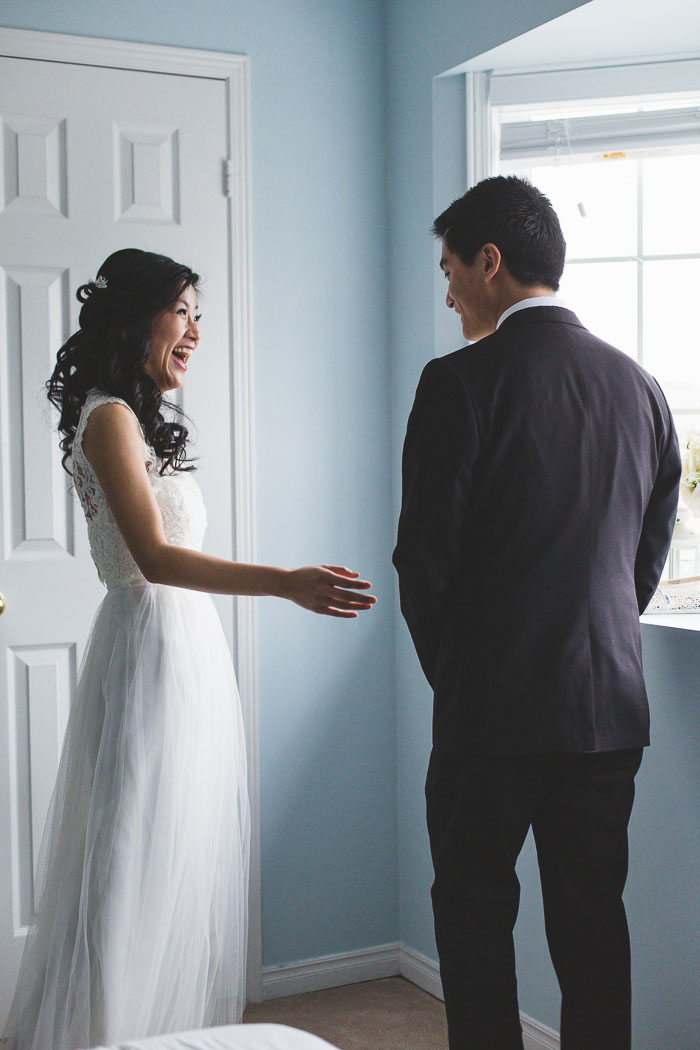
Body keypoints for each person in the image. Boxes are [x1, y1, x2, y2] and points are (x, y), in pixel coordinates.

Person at [2, 248, 375, 1050]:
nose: (196, 331)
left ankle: (161, 1034)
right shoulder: (106, 416)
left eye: (200, 315)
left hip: (187, 653)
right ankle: (102, 1033)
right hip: (146, 653)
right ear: (137, 317)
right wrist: (286, 581)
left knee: (169, 867)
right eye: (184, 312)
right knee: (126, 866)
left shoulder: (132, 418)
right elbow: (154, 559)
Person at [392, 176, 680, 1050]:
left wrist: (469, 668)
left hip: (491, 709)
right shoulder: (642, 387)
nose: (446, 293)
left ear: (491, 262)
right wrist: (591, 644)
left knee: (474, 920)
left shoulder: (458, 382)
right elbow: (646, 554)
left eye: (449, 269)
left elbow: (423, 560)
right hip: (605, 709)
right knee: (594, 927)